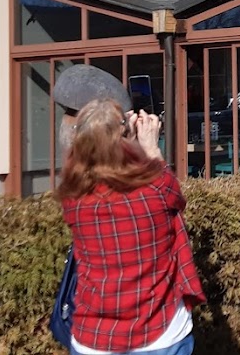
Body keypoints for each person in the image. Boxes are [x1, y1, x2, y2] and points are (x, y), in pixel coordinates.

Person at [57, 99, 204, 355]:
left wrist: (112, 128)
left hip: (93, 337)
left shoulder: (73, 199)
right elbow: (174, 197)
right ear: (124, 142)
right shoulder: (156, 188)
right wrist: (149, 146)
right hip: (160, 332)